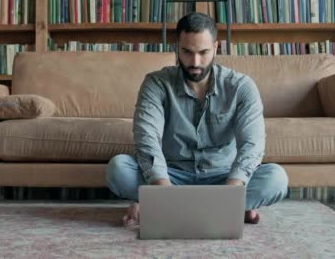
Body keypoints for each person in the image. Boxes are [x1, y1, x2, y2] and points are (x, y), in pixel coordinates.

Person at [106, 12, 289, 226]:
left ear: (216, 47)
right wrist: (162, 192)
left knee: (276, 178)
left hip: (224, 179)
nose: (195, 62)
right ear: (177, 47)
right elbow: (147, 139)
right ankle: (231, 210)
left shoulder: (241, 87)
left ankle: (164, 209)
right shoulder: (155, 83)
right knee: (118, 169)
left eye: (203, 52)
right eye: (187, 52)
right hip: (171, 176)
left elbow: (252, 146)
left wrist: (232, 192)